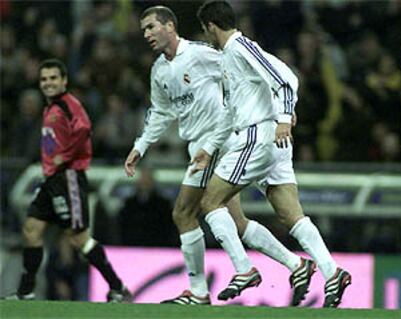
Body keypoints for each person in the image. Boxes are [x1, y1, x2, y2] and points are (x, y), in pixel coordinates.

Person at [124, 6, 313, 306]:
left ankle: (214, 284)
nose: (146, 34)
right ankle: (296, 265)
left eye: (151, 27)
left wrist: (281, 113)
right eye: (143, 29)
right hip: (200, 144)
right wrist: (141, 146)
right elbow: (160, 112)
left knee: (184, 212)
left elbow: (255, 69)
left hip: (217, 138)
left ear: (170, 26)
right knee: (235, 221)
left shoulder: (202, 53)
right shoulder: (159, 70)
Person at [195, 0, 351, 308]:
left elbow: (283, 79)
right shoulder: (233, 55)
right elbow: (278, 83)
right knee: (290, 215)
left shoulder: (240, 47)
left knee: (210, 201)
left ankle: (244, 269)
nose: (205, 36)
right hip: (270, 140)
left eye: (205, 30)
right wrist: (210, 148)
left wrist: (282, 118)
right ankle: (330, 271)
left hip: (257, 137)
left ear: (211, 26)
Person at [3, 59, 131, 303]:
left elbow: (84, 129)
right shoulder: (51, 107)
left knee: (78, 238)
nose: (48, 83)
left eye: (53, 78)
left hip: (68, 177)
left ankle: (118, 287)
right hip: (51, 179)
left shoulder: (68, 104)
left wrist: (66, 154)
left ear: (64, 81)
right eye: (44, 79)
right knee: (31, 229)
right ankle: (25, 292)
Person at [118, 167, 178, 247]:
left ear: (153, 182)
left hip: (157, 248)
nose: (145, 183)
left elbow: (168, 230)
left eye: (148, 180)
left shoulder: (163, 205)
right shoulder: (129, 204)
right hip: (132, 247)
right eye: (143, 180)